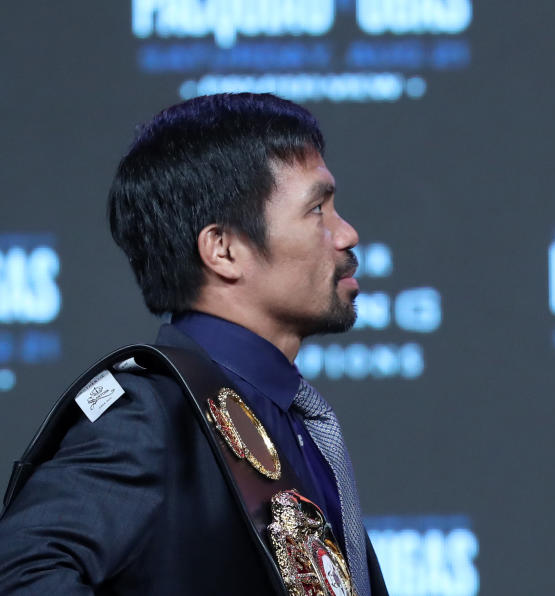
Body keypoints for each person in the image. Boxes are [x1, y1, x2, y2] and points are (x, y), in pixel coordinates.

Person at [0, 93, 389, 595]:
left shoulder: (294, 422)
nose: (347, 234)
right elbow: (16, 574)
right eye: (317, 210)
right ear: (223, 250)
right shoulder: (148, 417)